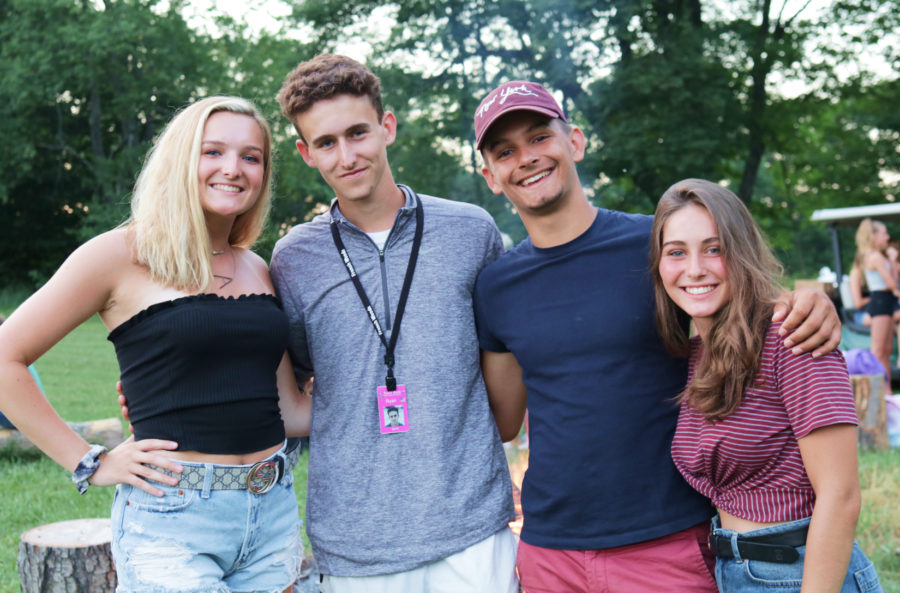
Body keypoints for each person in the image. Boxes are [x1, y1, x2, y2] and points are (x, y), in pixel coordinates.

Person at [471, 80, 842, 592]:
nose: (527, 158)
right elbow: (505, 421)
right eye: (506, 151)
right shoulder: (496, 285)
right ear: (491, 176)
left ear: (574, 142)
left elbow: (739, 299)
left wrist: (810, 303)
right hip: (549, 548)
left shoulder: (657, 246)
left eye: (540, 137)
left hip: (665, 539)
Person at [0, 96, 310, 592]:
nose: (233, 169)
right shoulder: (119, 254)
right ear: (182, 158)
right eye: (213, 152)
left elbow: (290, 410)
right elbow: (4, 358)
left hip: (271, 511)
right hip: (173, 520)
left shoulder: (256, 267)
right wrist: (89, 461)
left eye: (251, 157)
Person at [271, 54, 517, 592]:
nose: (347, 155)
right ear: (306, 153)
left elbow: (505, 366)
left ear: (387, 128)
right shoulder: (293, 259)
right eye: (326, 142)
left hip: (472, 528)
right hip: (355, 542)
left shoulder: (471, 231)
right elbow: (288, 382)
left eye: (358, 133)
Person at [651, 178, 882, 592]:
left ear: (740, 252)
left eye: (714, 248)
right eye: (676, 253)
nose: (695, 269)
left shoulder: (792, 336)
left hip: (802, 572)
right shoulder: (690, 356)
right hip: (732, 571)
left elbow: (841, 496)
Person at [854, 218, 898, 393]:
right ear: (873, 236)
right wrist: (893, 262)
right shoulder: (874, 257)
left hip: (886, 300)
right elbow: (892, 282)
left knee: (886, 350)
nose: (887, 238)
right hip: (879, 301)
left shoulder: (880, 256)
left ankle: (887, 391)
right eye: (884, 233)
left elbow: (892, 280)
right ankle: (876, 391)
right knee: (878, 350)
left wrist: (893, 260)